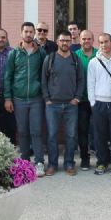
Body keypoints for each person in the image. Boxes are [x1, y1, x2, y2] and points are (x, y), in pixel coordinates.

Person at [4, 22, 47, 177]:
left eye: (31, 32)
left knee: (36, 131)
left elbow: (45, 74)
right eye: (26, 31)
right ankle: (24, 162)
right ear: (21, 33)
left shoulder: (40, 53)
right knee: (22, 132)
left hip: (36, 98)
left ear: (34, 33)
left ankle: (39, 162)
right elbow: (8, 77)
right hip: (19, 98)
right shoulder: (13, 53)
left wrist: (44, 94)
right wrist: (8, 98)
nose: (29, 34)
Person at [42, 31, 84, 176]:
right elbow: (43, 80)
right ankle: (52, 164)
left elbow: (81, 80)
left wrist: (77, 97)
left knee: (71, 135)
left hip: (71, 105)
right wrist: (47, 98)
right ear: (57, 42)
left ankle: (69, 163)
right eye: (62, 40)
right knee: (52, 135)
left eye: (67, 40)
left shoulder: (75, 59)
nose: (65, 43)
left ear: (70, 42)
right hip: (52, 105)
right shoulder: (50, 58)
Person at [88, 33, 111, 176]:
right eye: (101, 42)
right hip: (99, 103)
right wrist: (93, 103)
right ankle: (102, 162)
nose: (104, 45)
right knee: (99, 135)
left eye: (106, 42)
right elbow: (91, 83)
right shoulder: (93, 62)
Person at [74, 30, 98, 171]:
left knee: (99, 130)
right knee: (82, 130)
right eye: (84, 39)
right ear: (80, 40)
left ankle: (101, 158)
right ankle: (85, 158)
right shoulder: (74, 55)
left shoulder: (99, 54)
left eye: (89, 38)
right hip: (81, 100)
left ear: (93, 40)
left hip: (97, 99)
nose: (86, 41)